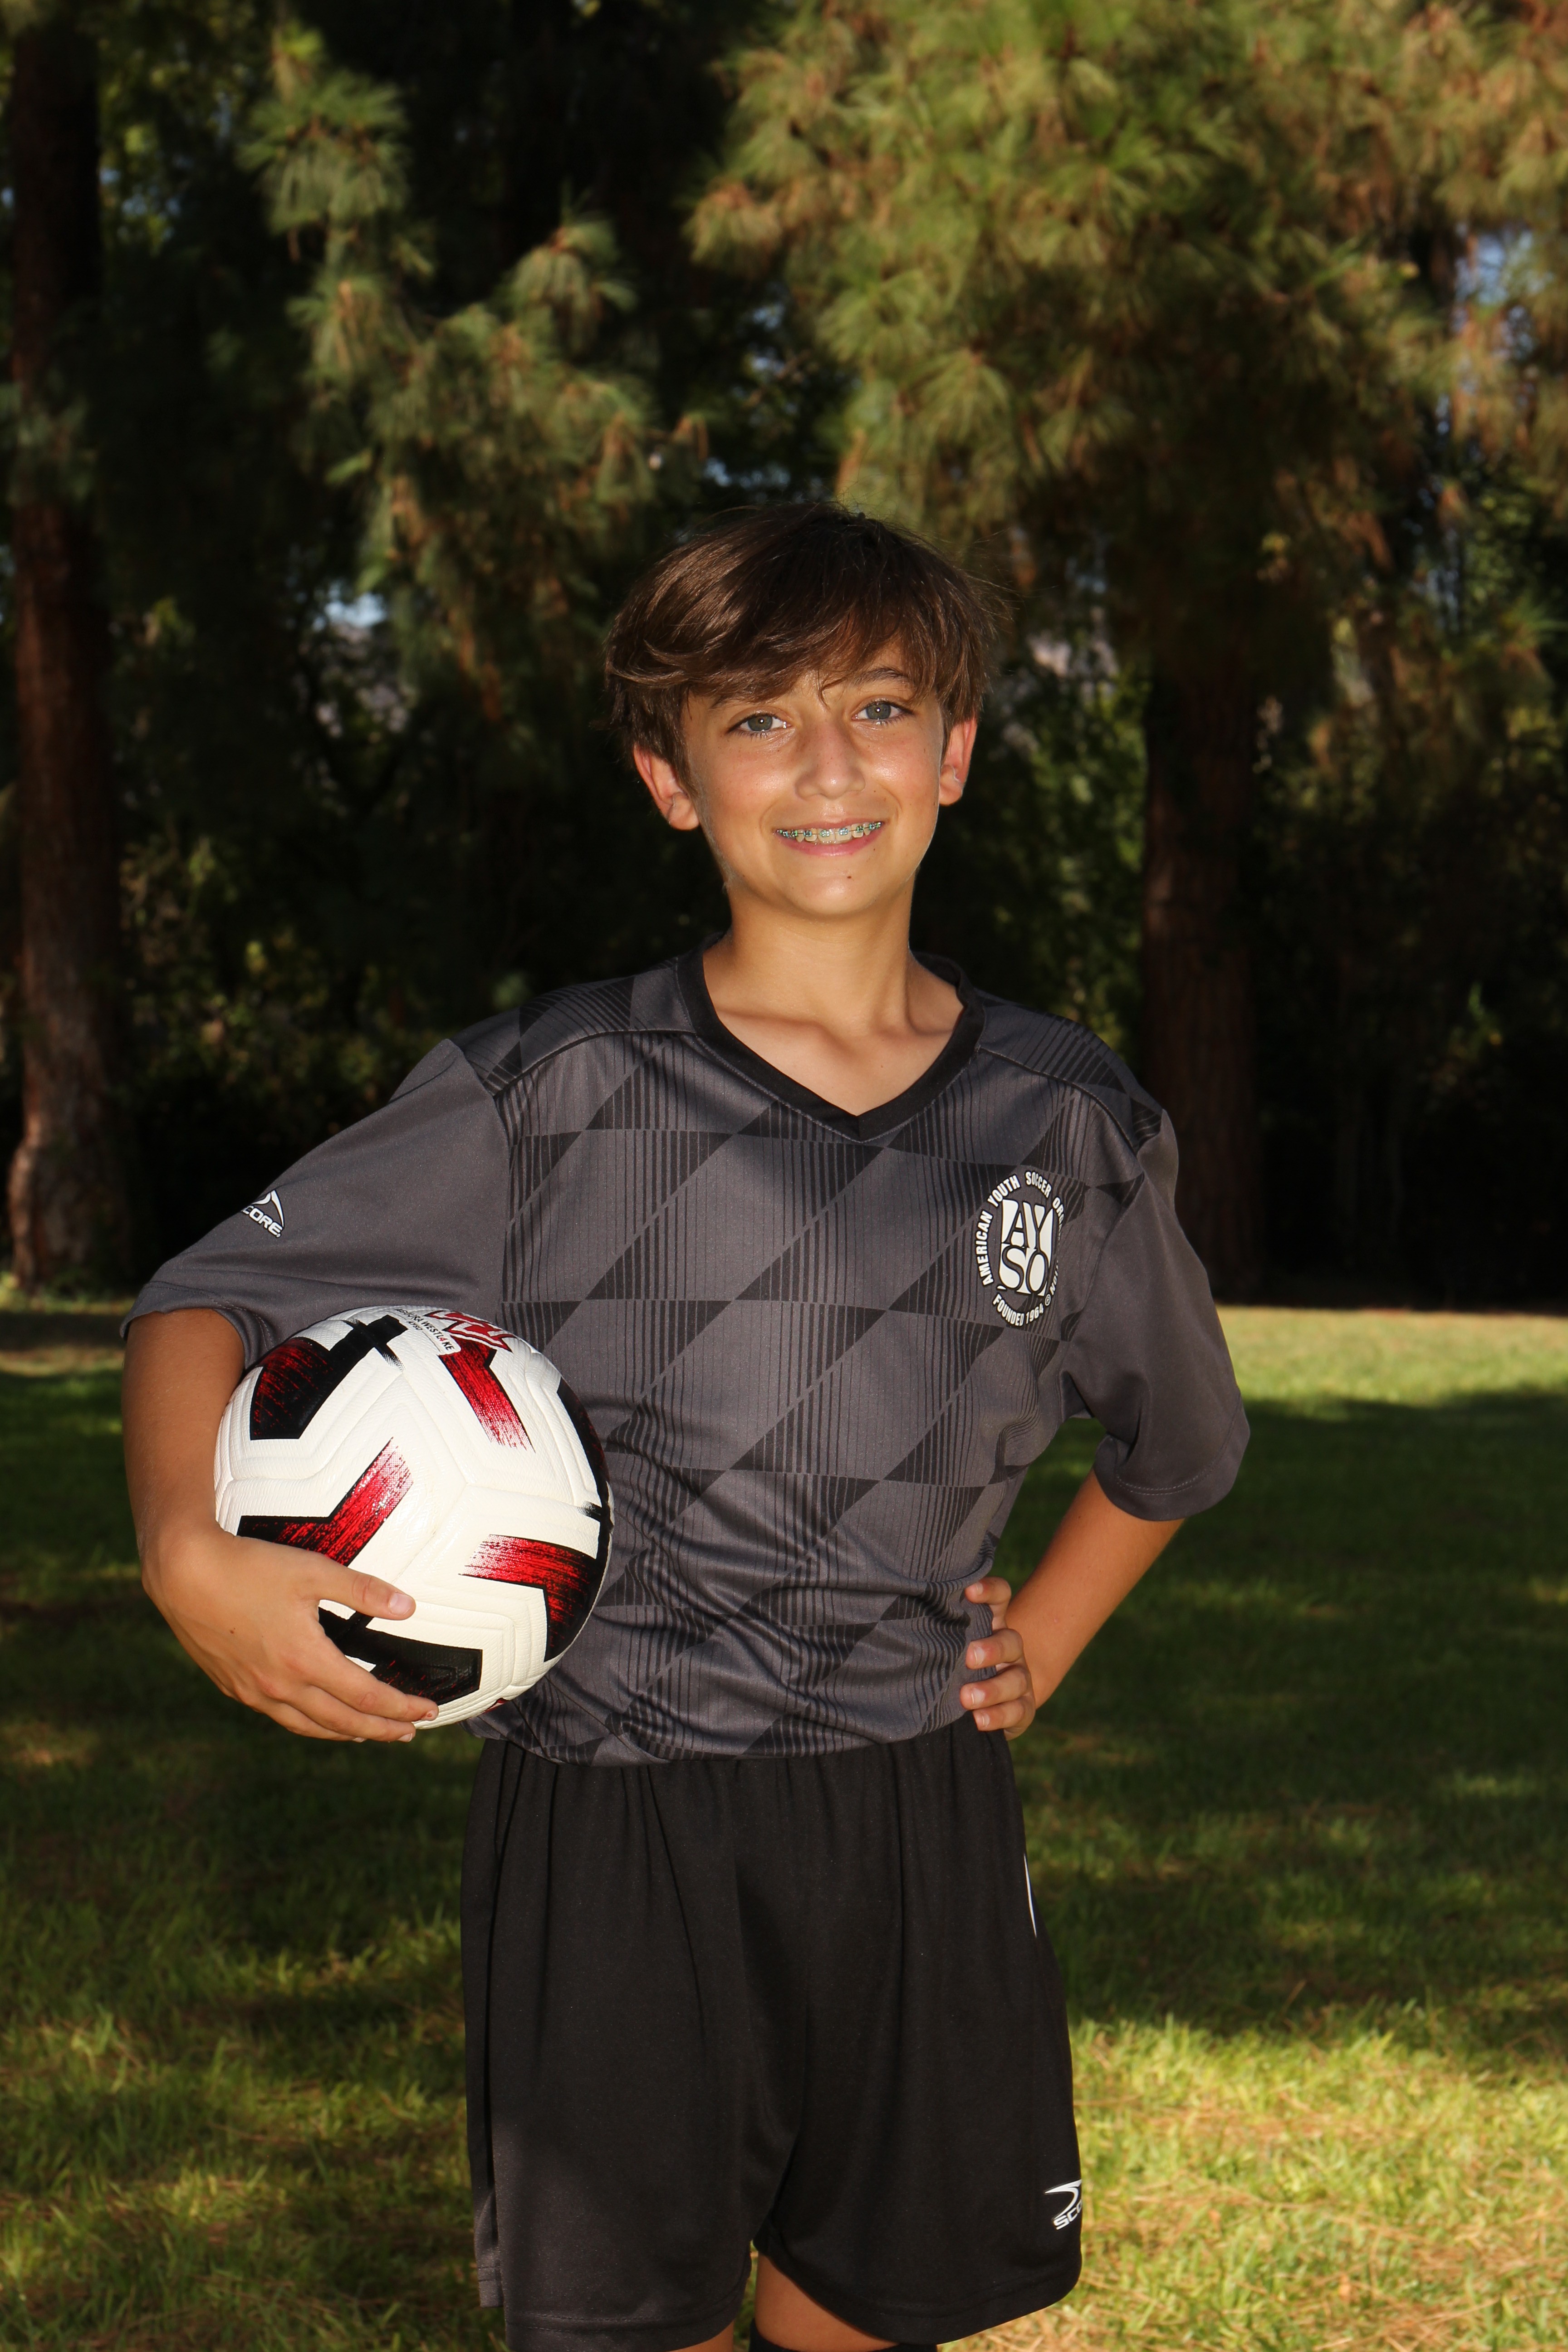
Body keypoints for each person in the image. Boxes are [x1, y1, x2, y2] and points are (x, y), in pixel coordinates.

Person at [122, 503, 1248, 2352]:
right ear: (671, 776)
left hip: (919, 1825)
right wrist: (185, 1545)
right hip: (611, 1829)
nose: (829, 766)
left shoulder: (1072, 1122)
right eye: (758, 721)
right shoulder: (548, 1093)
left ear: (955, 752)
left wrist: (1043, 1640)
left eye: (879, 709)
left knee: (869, 2309)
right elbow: (208, 1298)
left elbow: (1178, 1446)